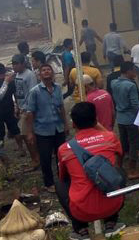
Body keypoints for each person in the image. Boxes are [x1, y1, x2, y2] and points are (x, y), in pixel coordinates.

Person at [56, 102, 125, 240]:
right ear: (95, 120)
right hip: (113, 203)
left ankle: (81, 230)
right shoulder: (110, 138)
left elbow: (63, 176)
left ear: (74, 124)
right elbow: (119, 158)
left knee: (59, 182)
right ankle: (111, 223)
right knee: (119, 171)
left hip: (82, 211)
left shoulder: (64, 149)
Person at [25, 64, 69, 192]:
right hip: (43, 131)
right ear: (39, 75)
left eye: (48, 69)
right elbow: (30, 113)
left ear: (52, 73)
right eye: (43, 70)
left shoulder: (57, 88)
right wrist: (30, 132)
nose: (46, 72)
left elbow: (61, 108)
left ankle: (63, 180)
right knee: (45, 158)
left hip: (58, 128)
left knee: (61, 156)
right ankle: (49, 183)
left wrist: (65, 124)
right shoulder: (35, 92)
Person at [111, 61, 139, 179]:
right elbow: (135, 105)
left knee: (123, 144)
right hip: (131, 119)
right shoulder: (131, 85)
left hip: (120, 118)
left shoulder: (113, 83)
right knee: (134, 145)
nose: (135, 72)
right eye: (134, 70)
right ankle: (132, 170)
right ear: (128, 71)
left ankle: (118, 166)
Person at [12, 53, 40, 170]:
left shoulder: (30, 75)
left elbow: (33, 93)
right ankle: (37, 157)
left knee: (26, 135)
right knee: (29, 135)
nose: (14, 66)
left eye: (16, 64)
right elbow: (18, 93)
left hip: (28, 110)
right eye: (13, 64)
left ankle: (35, 160)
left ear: (23, 64)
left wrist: (29, 110)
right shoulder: (17, 74)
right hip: (21, 108)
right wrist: (17, 107)